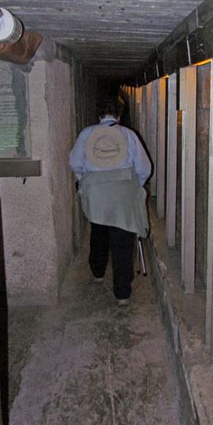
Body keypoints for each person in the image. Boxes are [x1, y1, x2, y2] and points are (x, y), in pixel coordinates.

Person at [69, 97, 151, 305]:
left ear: (99, 114)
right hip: (123, 192)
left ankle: (97, 272)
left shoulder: (87, 134)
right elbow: (144, 167)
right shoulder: (129, 135)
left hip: (97, 192)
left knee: (99, 231)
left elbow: (76, 163)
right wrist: (134, 185)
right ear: (119, 115)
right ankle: (122, 293)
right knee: (122, 239)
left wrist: (87, 182)